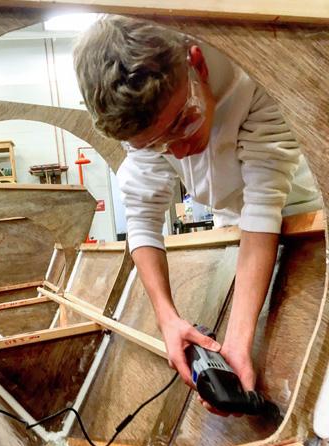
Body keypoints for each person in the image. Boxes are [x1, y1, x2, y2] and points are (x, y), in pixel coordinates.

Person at [73, 15, 320, 415]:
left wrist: (238, 342)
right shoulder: (148, 118)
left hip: (305, 211)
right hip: (237, 217)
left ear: (197, 64)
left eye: (183, 122)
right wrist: (167, 319)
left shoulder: (258, 77)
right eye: (158, 145)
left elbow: (264, 206)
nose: (182, 152)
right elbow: (141, 219)